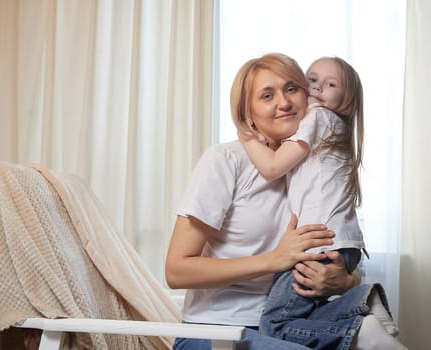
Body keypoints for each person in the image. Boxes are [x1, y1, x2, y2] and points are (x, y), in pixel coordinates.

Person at [165, 53, 404, 350]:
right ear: (247, 112)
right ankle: (362, 325)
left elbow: (335, 241)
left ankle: (364, 317)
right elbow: (176, 271)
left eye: (292, 88)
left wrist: (346, 282)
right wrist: (273, 260)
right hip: (217, 330)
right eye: (267, 95)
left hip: (294, 324)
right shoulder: (224, 160)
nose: (284, 102)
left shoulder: (314, 167)